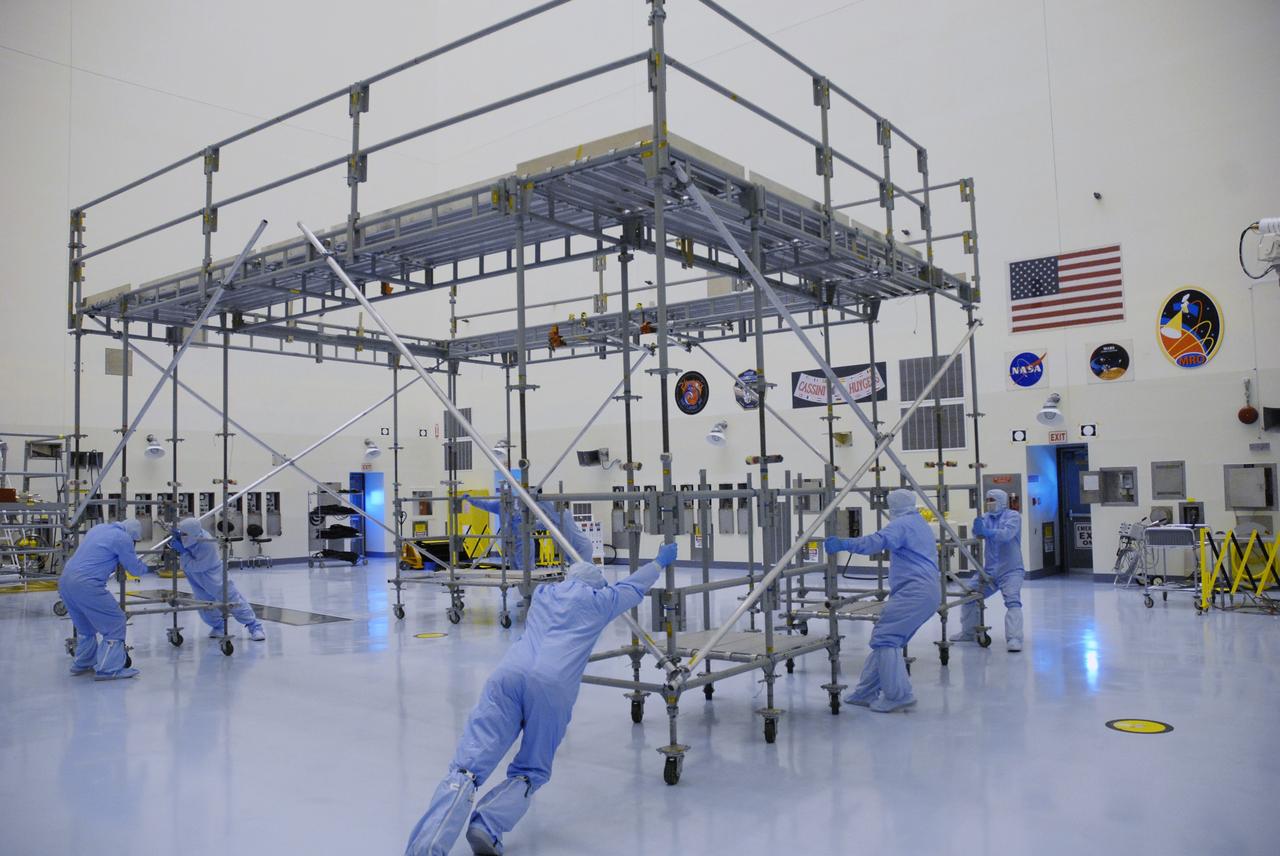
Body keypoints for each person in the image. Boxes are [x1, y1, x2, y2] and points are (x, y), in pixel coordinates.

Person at [405, 541, 679, 856]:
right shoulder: (601, 601)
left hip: (509, 674)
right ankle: (488, 824)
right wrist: (659, 562)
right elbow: (634, 586)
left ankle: (425, 847)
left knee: (467, 765)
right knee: (531, 768)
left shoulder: (544, 595)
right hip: (551, 686)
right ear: (595, 585)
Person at [824, 488, 939, 713]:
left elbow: (876, 542)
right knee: (887, 641)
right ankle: (866, 691)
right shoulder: (918, 522)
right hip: (926, 591)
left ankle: (898, 695)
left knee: (886, 639)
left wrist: (844, 544)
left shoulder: (901, 525)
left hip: (914, 592)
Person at [58, 519, 150, 681]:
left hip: (65, 581)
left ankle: (83, 662)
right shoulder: (123, 538)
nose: (133, 544)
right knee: (116, 621)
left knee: (86, 626)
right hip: (87, 584)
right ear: (133, 536)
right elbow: (134, 568)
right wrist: (147, 567)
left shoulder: (99, 529)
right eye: (135, 542)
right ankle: (109, 668)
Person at [951, 488, 1025, 652]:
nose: (989, 503)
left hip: (1011, 570)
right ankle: (969, 632)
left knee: (1012, 601)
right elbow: (979, 535)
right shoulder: (985, 517)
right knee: (968, 595)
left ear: (1002, 500)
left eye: (993, 499)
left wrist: (987, 531)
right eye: (987, 500)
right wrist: (976, 529)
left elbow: (1006, 534)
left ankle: (1014, 638)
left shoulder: (1012, 516)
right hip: (989, 571)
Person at [170, 517, 266, 642]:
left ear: (193, 532)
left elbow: (198, 565)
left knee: (231, 598)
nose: (182, 536)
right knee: (204, 603)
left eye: (184, 533)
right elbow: (191, 562)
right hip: (196, 576)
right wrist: (180, 539)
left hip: (213, 575)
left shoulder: (206, 542)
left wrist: (183, 552)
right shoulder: (189, 537)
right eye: (181, 533)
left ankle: (254, 627)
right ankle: (219, 626)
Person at [463, 488, 592, 569]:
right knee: (515, 571)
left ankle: (528, 596)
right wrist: (471, 500)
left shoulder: (561, 516)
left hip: (525, 542)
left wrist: (535, 495)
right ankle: (524, 595)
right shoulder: (500, 505)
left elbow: (547, 507)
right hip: (510, 542)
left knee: (526, 570)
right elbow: (485, 504)